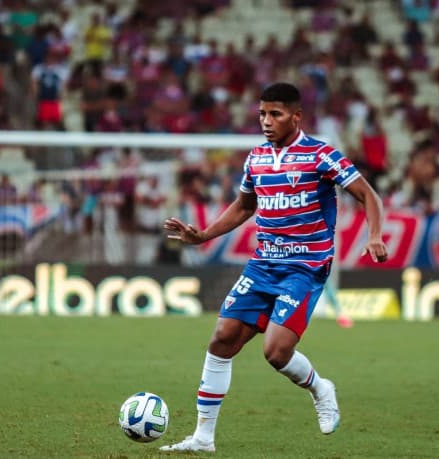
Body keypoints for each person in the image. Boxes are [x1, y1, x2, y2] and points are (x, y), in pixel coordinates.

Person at [160, 82, 388, 452]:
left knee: (276, 352)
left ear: (296, 116)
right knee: (221, 339)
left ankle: (320, 388)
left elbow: (367, 194)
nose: (266, 121)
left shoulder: (321, 155)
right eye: (262, 114)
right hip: (262, 265)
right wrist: (203, 236)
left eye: (275, 114)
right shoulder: (257, 159)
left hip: (304, 268)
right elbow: (244, 206)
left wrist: (375, 234)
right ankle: (203, 437)